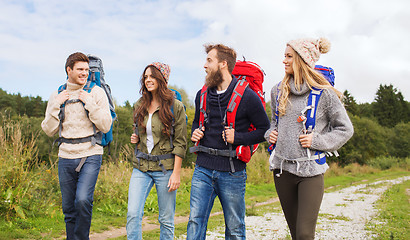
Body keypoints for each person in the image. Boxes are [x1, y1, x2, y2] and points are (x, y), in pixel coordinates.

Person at [265, 38, 354, 240]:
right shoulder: (277, 91)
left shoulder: (325, 94)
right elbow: (273, 125)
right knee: (296, 233)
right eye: (284, 55)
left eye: (289, 56)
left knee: (305, 234)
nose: (284, 60)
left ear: (302, 59)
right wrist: (269, 134)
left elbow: (345, 129)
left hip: (310, 172)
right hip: (282, 171)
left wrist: (317, 141)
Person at [187, 44, 270, 240]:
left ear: (223, 64)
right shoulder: (202, 95)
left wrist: (238, 138)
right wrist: (195, 133)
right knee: (194, 222)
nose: (204, 65)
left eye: (209, 60)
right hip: (202, 169)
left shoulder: (248, 96)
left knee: (234, 227)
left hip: (233, 172)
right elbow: (195, 123)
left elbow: (265, 130)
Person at [41, 52, 112, 239]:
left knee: (82, 200)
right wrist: (56, 104)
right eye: (80, 69)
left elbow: (105, 125)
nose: (84, 73)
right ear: (68, 70)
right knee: (69, 208)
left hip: (90, 153)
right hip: (65, 155)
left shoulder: (96, 92)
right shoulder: (57, 94)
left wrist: (89, 103)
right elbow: (48, 129)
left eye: (87, 70)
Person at [127, 62, 187, 240]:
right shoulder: (140, 104)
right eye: (145, 77)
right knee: (132, 214)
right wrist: (135, 137)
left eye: (152, 76)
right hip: (141, 166)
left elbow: (180, 143)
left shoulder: (175, 106)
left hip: (165, 169)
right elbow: (142, 132)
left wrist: (176, 173)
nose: (148, 80)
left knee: (166, 219)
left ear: (163, 78)